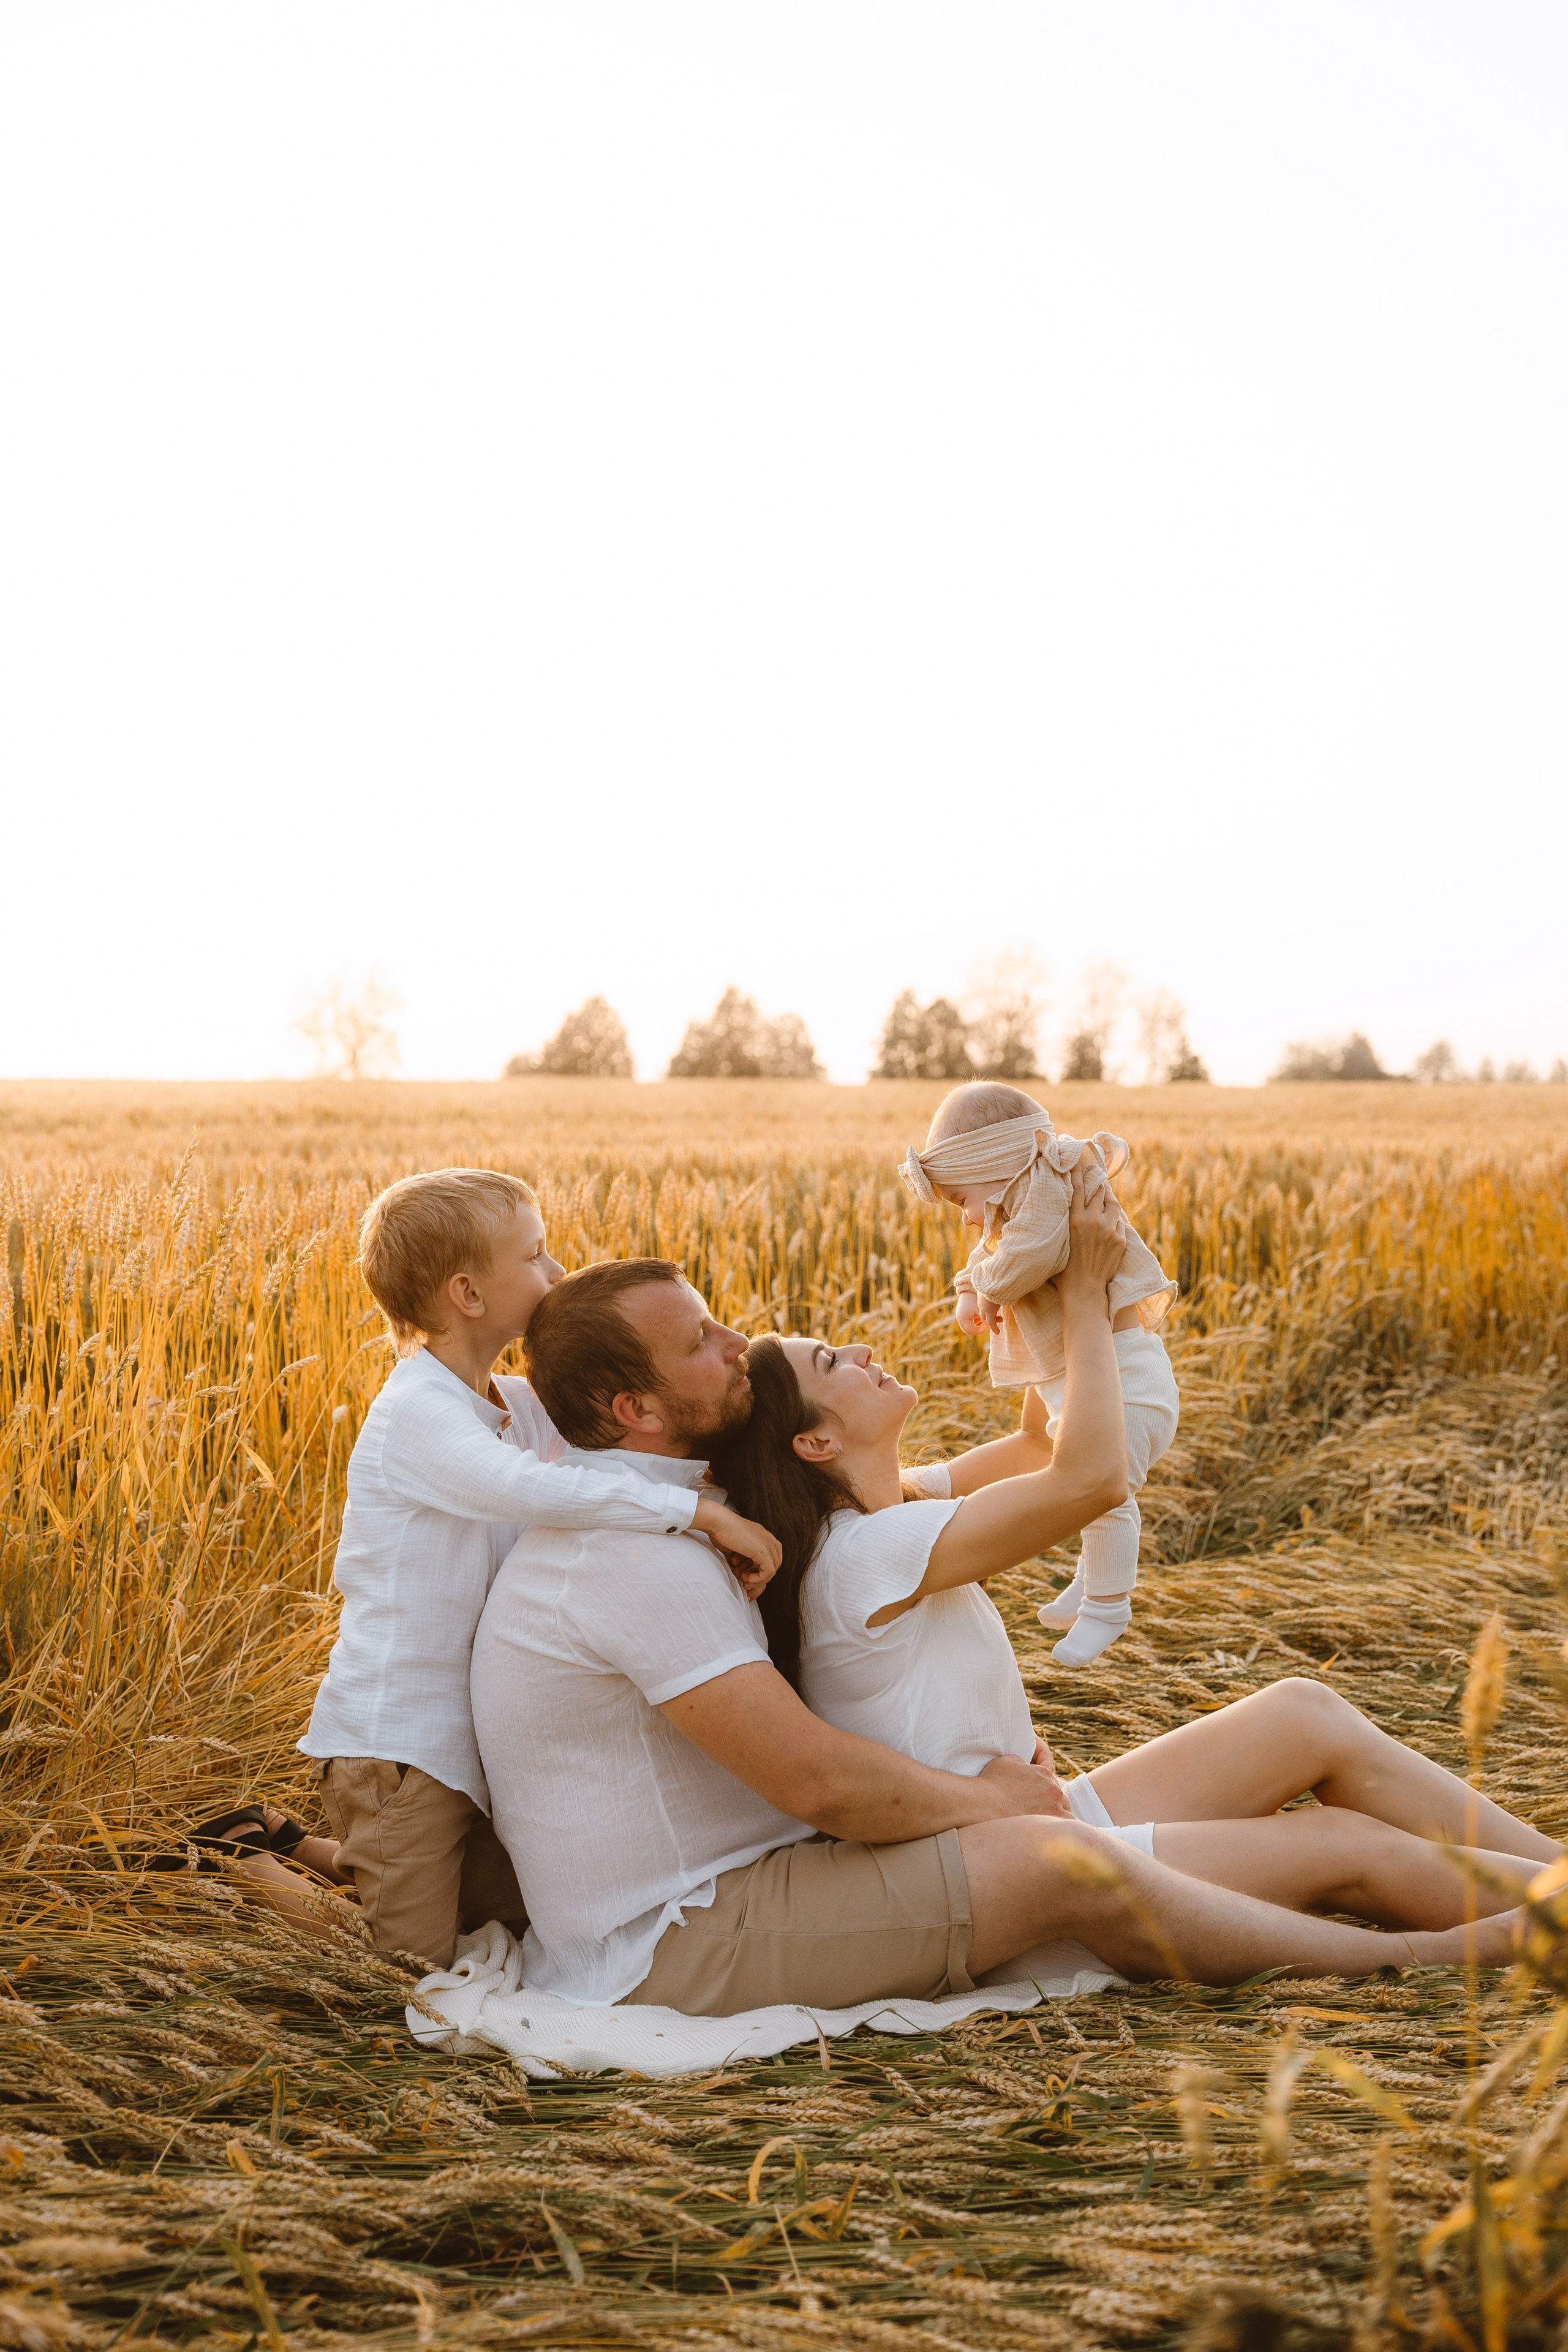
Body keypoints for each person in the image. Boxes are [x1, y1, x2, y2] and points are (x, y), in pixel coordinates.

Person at [469, 1187, 1529, 2021]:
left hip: (828, 1859)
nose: (736, 1343)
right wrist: (994, 1806)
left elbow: (1030, 1447)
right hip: (680, 1935)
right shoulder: (638, 1555)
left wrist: (1026, 1273)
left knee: (1297, 1714)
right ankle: (1435, 1955)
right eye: (703, 1340)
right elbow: (821, 1781)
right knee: (1098, 1853)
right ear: (636, 1409)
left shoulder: (726, 1503)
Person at [284, 1166, 780, 1970]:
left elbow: (620, 1432)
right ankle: (238, 1868)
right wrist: (696, 1515)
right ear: (468, 1295)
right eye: (536, 1255)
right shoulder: (417, 1412)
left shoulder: (507, 1400)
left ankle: (316, 1854)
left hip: (473, 1740)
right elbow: (528, 1487)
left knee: (483, 1903)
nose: (556, 1271)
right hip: (400, 1747)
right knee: (407, 1968)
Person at [899, 1081, 1178, 1664]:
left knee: (1103, 1498)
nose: (968, 1219)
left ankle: (1109, 1606)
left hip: (1128, 1385)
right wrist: (972, 1287)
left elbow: (1031, 1253)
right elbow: (996, 1251)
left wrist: (989, 1286)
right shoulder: (1026, 1199)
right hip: (1095, 1383)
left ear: (996, 1166)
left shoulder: (1052, 1188)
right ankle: (1092, 1579)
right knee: (1079, 1487)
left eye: (962, 1200)